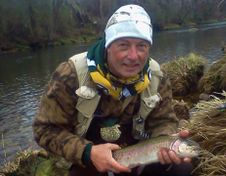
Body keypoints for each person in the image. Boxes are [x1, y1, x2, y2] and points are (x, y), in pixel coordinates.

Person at [33, 4, 193, 176]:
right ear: (108, 45)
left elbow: (163, 121)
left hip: (135, 157)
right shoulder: (71, 74)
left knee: (180, 169)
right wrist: (88, 153)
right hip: (83, 161)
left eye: (141, 46)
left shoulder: (156, 76)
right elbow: (44, 130)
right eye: (124, 45)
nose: (133, 56)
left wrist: (166, 141)